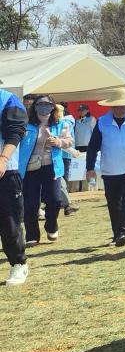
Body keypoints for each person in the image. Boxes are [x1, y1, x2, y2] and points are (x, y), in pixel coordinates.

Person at [85, 88, 125, 246]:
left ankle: (124, 231)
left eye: (122, 106)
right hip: (110, 168)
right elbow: (93, 146)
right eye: (116, 106)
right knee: (113, 203)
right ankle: (117, 234)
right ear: (110, 106)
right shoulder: (102, 122)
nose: (119, 109)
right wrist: (90, 167)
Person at [17, 94, 72, 244]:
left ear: (53, 107)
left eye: (47, 104)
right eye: (40, 104)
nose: (43, 107)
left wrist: (58, 142)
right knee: (31, 203)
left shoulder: (61, 124)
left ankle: (51, 226)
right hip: (30, 168)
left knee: (55, 199)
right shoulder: (26, 124)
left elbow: (69, 141)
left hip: (52, 166)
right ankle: (32, 235)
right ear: (34, 107)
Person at [0, 85, 29, 285]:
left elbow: (16, 131)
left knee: (9, 222)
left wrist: (3, 158)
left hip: (6, 170)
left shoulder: (8, 100)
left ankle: (18, 263)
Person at [70, 104, 95, 193]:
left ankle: (91, 188)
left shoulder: (92, 119)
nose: (81, 112)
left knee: (89, 167)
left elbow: (94, 133)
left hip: (88, 147)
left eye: (83, 110)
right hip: (78, 147)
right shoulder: (76, 121)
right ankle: (77, 188)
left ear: (87, 110)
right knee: (78, 168)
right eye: (80, 110)